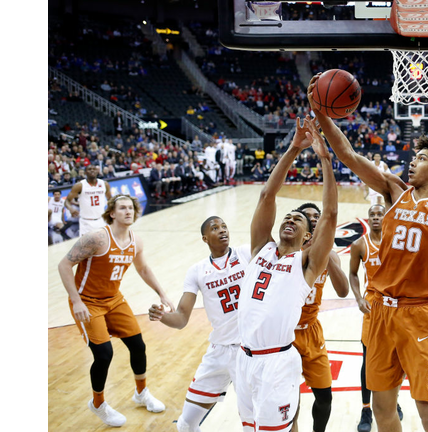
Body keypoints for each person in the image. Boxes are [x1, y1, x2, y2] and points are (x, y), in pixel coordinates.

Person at [308, 74, 428, 432]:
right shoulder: (395, 191)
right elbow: (348, 155)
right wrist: (321, 112)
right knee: (383, 409)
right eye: (415, 156)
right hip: (380, 311)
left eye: (422, 158)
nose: (412, 162)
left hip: (418, 314)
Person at [235, 116, 337, 432]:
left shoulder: (306, 265)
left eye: (298, 220)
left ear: (308, 236)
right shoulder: (261, 249)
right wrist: (293, 148)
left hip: (276, 361)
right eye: (288, 217)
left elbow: (330, 215)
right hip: (243, 358)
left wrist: (324, 160)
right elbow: (267, 195)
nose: (290, 219)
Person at [56, 195, 175, 427]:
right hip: (87, 302)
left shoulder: (135, 241)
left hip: (114, 299)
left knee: (138, 345)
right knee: (104, 354)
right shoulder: (97, 238)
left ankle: (141, 393)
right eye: (122, 208)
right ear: (112, 213)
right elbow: (64, 265)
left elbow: (143, 268)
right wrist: (76, 301)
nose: (128, 211)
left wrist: (162, 293)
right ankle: (98, 403)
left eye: (131, 208)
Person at [148, 216, 251, 432]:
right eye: (215, 228)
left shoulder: (246, 253)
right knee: (186, 425)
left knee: (252, 424)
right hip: (219, 352)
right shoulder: (197, 271)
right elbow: (181, 318)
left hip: (248, 352)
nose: (222, 230)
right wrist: (162, 316)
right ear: (205, 238)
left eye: (224, 226)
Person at [290, 202, 350, 432]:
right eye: (308, 216)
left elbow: (343, 291)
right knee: (290, 400)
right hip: (287, 332)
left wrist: (326, 250)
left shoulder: (329, 254)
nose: (314, 219)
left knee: (325, 398)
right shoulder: (289, 252)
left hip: (311, 331)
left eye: (317, 216)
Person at [348, 204, 404, 432]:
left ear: (386, 218)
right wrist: (358, 298)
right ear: (368, 219)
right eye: (372, 214)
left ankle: (391, 401)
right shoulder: (359, 245)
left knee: (395, 359)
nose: (376, 217)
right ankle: (366, 409)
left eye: (380, 214)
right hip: (372, 306)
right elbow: (352, 273)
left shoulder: (398, 242)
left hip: (396, 306)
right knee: (368, 360)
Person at [63, 165, 112, 236]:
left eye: (94, 169)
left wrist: (110, 211)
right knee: (86, 243)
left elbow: (110, 199)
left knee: (103, 242)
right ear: (85, 172)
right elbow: (67, 201)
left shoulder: (104, 184)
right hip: (86, 222)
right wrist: (71, 209)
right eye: (89, 169)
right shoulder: (79, 185)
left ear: (97, 171)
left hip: (101, 220)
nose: (92, 170)